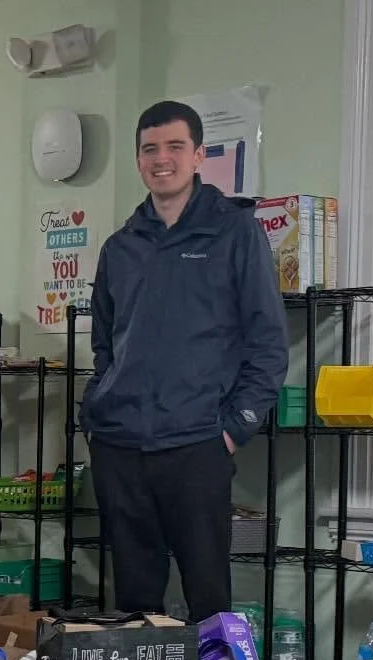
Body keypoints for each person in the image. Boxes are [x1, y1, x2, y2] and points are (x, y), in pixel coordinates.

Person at [83, 100, 288, 623]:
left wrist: (234, 428)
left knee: (208, 596)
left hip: (197, 442)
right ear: (138, 160)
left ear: (199, 155)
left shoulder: (237, 233)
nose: (161, 159)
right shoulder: (120, 247)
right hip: (121, 445)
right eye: (149, 149)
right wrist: (103, 412)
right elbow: (105, 344)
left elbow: (267, 343)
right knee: (133, 602)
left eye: (175, 146)